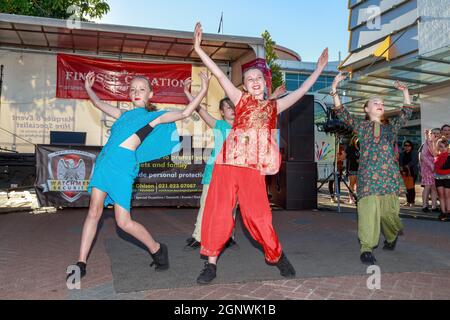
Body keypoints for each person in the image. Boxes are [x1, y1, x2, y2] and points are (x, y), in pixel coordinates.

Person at [192, 22, 329, 284]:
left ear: (265, 84)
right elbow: (220, 77)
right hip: (227, 163)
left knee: (259, 216)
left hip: (252, 168)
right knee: (219, 211)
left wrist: (319, 69)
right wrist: (199, 49)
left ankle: (276, 255)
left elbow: (300, 92)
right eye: (249, 79)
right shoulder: (240, 100)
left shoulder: (274, 107)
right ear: (244, 86)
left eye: (258, 78)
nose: (254, 81)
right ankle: (210, 263)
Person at [66, 71, 210, 281]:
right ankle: (81, 262)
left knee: (123, 222)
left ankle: (158, 249)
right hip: (104, 164)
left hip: (123, 167)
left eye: (141, 89)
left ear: (150, 94)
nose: (136, 92)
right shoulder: (123, 115)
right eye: (132, 89)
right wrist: (88, 88)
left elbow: (185, 112)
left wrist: (203, 90)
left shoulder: (153, 117)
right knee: (93, 212)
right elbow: (99, 105)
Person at [331, 72, 413, 265]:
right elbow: (342, 112)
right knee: (368, 212)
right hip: (368, 178)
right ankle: (366, 248)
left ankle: (391, 237)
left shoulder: (390, 128)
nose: (379, 104)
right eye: (375, 102)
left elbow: (406, 113)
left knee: (388, 215)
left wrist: (406, 92)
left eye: (381, 102)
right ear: (367, 109)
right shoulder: (361, 126)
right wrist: (335, 89)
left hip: (389, 179)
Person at [183, 79, 237, 250]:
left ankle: (228, 236)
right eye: (228, 107)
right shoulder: (219, 125)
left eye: (234, 106)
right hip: (214, 171)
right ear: (222, 112)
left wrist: (272, 96)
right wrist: (187, 93)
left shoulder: (244, 127)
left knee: (230, 208)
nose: (232, 110)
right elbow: (200, 110)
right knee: (206, 204)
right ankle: (198, 236)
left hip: (234, 173)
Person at [419, 129, 440, 213]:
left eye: (437, 133)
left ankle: (434, 206)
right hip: (427, 167)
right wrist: (431, 165)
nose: (435, 134)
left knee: (434, 187)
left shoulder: (440, 144)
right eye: (433, 133)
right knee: (427, 186)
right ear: (430, 134)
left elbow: (437, 154)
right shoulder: (426, 143)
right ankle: (425, 205)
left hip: (436, 167)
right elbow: (423, 156)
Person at [434, 137, 450, 221]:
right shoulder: (436, 157)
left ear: (447, 147)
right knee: (441, 195)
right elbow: (435, 168)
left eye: (444, 146)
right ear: (438, 147)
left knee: (447, 195)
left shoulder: (449, 156)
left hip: (448, 178)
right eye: (440, 146)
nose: (442, 148)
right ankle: (443, 212)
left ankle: (448, 211)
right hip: (438, 177)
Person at [399, 140, 419, 207]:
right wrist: (401, 167)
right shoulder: (402, 153)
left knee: (411, 187)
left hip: (412, 172)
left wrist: (407, 165)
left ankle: (412, 202)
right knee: (406, 187)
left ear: (411, 146)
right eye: (405, 145)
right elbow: (400, 162)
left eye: (408, 145)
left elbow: (414, 161)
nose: (407, 147)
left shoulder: (415, 152)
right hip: (404, 172)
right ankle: (408, 201)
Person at [345, 136, 360, 204]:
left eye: (358, 138)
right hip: (352, 167)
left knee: (358, 184)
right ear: (353, 139)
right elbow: (348, 156)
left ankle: (357, 198)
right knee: (352, 183)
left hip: (360, 168)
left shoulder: (360, 147)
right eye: (355, 138)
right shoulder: (350, 147)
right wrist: (356, 159)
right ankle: (351, 198)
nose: (357, 139)